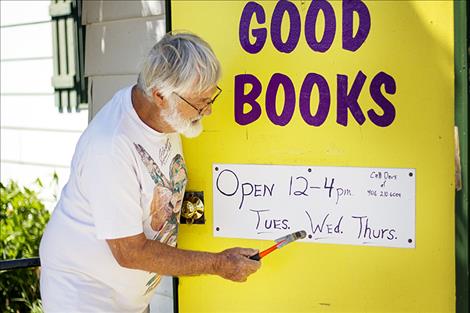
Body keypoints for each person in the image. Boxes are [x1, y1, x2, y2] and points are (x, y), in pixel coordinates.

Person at [39, 31, 261, 312]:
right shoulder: (110, 147)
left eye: (210, 98)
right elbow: (129, 251)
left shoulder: (164, 116)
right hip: (84, 294)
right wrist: (218, 264)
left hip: (127, 295)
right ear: (159, 95)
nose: (207, 112)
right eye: (200, 103)